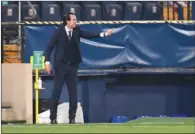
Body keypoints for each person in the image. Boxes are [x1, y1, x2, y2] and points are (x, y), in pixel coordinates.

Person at [44, 12, 113, 124]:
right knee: (56, 92)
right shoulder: (59, 31)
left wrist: (103, 34)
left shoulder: (77, 31)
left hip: (73, 66)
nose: (76, 21)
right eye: (74, 20)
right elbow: (49, 47)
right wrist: (47, 62)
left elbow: (88, 34)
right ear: (67, 21)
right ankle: (53, 118)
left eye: (76, 19)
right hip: (61, 66)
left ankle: (72, 118)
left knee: (73, 93)